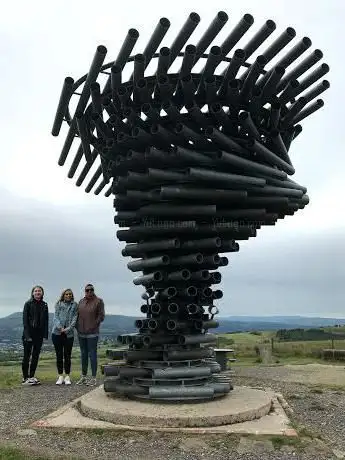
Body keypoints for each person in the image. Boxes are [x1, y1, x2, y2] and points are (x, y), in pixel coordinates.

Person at [76, 283, 105, 386]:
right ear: (85, 291)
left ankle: (93, 378)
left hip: (92, 333)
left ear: (93, 290)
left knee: (92, 355)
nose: (89, 292)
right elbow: (77, 315)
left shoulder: (99, 301)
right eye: (87, 290)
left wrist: (93, 325)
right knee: (83, 355)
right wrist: (77, 327)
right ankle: (84, 377)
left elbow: (101, 316)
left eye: (91, 290)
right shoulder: (81, 301)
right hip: (81, 333)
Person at [22, 285, 49, 385]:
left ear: (42, 293)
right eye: (36, 291)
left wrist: (45, 334)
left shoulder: (45, 305)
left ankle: (32, 376)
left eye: (39, 291)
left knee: (35, 356)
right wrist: (27, 335)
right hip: (29, 333)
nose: (38, 292)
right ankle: (25, 378)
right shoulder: (28, 304)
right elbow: (25, 321)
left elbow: (46, 320)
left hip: (39, 334)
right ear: (32, 293)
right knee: (26, 356)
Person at [51, 288, 78, 385]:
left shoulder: (74, 305)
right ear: (63, 295)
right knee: (59, 356)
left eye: (70, 294)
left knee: (67, 356)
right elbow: (55, 317)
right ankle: (60, 376)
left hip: (69, 334)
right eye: (66, 294)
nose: (68, 295)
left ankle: (67, 376)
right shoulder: (58, 304)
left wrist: (67, 329)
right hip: (57, 333)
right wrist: (60, 327)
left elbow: (75, 318)